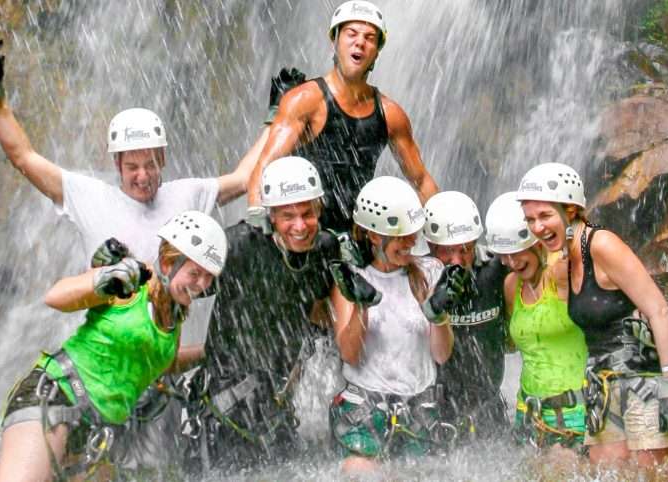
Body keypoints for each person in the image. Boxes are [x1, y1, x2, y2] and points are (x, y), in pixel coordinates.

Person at [0, 211, 227, 482]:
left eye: (208, 277)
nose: (201, 284)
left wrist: (211, 351)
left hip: (95, 425)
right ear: (168, 263)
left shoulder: (175, 314)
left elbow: (165, 365)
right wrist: (103, 279)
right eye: (195, 273)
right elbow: (56, 297)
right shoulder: (131, 282)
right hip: (57, 395)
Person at [0, 36, 266, 262]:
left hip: (160, 344)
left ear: (163, 160)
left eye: (151, 165)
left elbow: (243, 179)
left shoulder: (187, 195)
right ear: (117, 166)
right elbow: (23, 157)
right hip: (107, 345)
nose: (143, 176)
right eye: (133, 167)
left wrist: (279, 120)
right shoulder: (90, 197)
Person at [515, 163, 668, 468]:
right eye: (530, 220)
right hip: (601, 387)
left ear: (571, 211)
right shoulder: (563, 261)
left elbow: (658, 309)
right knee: (606, 473)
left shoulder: (602, 245)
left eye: (545, 216)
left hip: (644, 381)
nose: (537, 227)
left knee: (658, 476)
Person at [180, 156, 342, 473]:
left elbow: (323, 314)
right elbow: (178, 289)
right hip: (228, 405)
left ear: (319, 210)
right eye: (288, 216)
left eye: (307, 214)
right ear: (269, 216)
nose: (300, 226)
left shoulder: (324, 250)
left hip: (278, 404)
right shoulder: (237, 246)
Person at [245, 1, 439, 234]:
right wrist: (258, 219)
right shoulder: (305, 100)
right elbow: (265, 166)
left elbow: (422, 181)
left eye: (369, 38)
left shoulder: (391, 114)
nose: (360, 42)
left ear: (377, 51)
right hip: (305, 233)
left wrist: (447, 228)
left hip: (357, 239)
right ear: (334, 40)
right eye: (351, 34)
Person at [328, 176, 470, 474]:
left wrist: (437, 314)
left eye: (413, 235)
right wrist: (362, 307)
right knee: (358, 471)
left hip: (420, 408)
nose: (411, 244)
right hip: (366, 408)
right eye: (402, 237)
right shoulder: (350, 277)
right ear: (374, 236)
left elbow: (442, 355)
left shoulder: (430, 271)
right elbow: (349, 354)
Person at [485, 192, 588, 451]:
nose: (511, 262)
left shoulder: (561, 275)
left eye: (517, 253)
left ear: (538, 242)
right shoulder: (511, 285)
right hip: (527, 412)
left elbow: (576, 237)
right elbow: (511, 344)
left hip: (572, 413)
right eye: (504, 256)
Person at [422, 191, 515, 438]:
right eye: (447, 252)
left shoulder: (497, 269)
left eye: (465, 250)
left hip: (489, 406)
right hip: (435, 410)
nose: (457, 260)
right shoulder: (419, 277)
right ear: (431, 246)